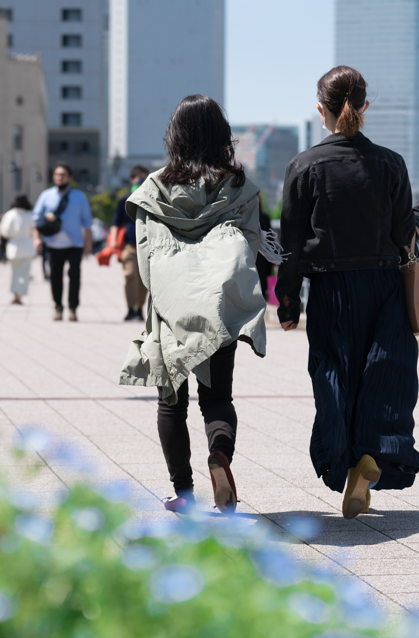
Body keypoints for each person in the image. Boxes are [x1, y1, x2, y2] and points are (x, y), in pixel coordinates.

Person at [276, 65, 419, 520]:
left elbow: (289, 243)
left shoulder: (303, 166)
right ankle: (370, 461)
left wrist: (286, 302)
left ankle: (347, 462)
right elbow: (403, 233)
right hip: (386, 287)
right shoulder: (390, 163)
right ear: (365, 107)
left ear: (320, 109)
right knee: (383, 376)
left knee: (334, 375)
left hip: (331, 289)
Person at [119, 95, 268, 514]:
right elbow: (252, 245)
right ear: (223, 135)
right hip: (219, 306)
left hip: (171, 309)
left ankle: (183, 493)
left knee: (172, 403)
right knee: (218, 399)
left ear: (175, 136)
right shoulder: (239, 187)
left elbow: (147, 259)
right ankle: (219, 454)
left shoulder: (154, 188)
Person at [32, 164, 93, 321]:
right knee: (55, 277)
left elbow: (87, 222)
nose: (60, 177)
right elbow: (36, 219)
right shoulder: (46, 195)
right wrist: (37, 238)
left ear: (70, 178)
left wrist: (88, 242)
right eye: (57, 174)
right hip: (53, 243)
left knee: (74, 276)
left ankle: (73, 308)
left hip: (75, 243)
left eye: (63, 174)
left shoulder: (79, 196)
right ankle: (58, 306)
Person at [109, 165, 150, 321]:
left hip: (147, 246)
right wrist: (113, 240)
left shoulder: (152, 198)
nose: (141, 182)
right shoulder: (125, 199)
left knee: (143, 279)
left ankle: (139, 308)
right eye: (138, 178)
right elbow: (116, 222)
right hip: (130, 245)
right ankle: (130, 308)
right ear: (132, 180)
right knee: (130, 275)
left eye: (145, 178)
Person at [0, 194, 39, 304]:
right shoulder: (30, 215)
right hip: (27, 245)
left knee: (15, 272)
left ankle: (15, 294)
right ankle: (20, 295)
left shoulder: (9, 215)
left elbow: (4, 232)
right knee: (25, 273)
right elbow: (34, 231)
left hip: (14, 245)